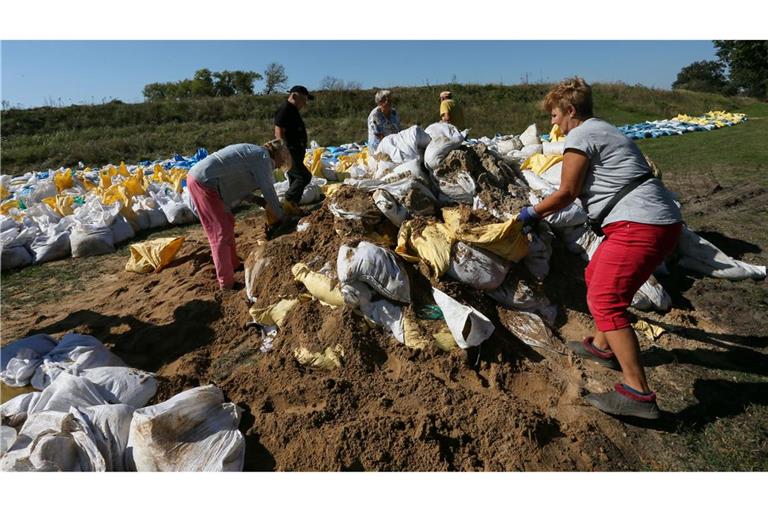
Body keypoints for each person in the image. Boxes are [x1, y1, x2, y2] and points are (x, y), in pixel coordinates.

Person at [517, 77, 683, 420]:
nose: (553, 122)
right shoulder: (605, 129)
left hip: (639, 224)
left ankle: (638, 393)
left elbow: (567, 191)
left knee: (606, 299)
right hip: (657, 221)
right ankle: (603, 347)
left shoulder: (580, 135)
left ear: (570, 111)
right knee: (595, 273)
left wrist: (532, 212)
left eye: (554, 115)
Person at [187, 140, 290, 290]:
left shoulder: (257, 154)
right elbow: (268, 191)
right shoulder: (263, 159)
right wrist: (282, 217)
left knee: (228, 222)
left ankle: (234, 264)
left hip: (207, 180)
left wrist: (255, 199)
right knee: (219, 233)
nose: (281, 165)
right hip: (204, 182)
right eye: (283, 160)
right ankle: (226, 284)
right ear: (280, 154)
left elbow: (237, 181)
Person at [274, 85, 313, 214]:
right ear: (294, 96)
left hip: (296, 151)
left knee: (294, 178)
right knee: (304, 176)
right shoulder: (286, 109)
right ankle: (289, 203)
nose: (305, 103)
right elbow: (278, 130)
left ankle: (292, 208)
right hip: (289, 152)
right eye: (303, 99)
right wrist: (282, 150)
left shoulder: (293, 110)